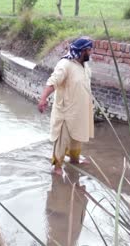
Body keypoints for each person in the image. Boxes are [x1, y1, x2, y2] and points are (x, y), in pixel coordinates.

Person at [38, 37, 95, 175]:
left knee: (78, 136)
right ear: (82, 51)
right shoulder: (65, 64)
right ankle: (57, 166)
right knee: (62, 141)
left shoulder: (84, 65)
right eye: (89, 50)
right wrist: (43, 98)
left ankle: (74, 159)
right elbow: (53, 82)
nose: (91, 52)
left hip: (80, 111)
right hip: (66, 111)